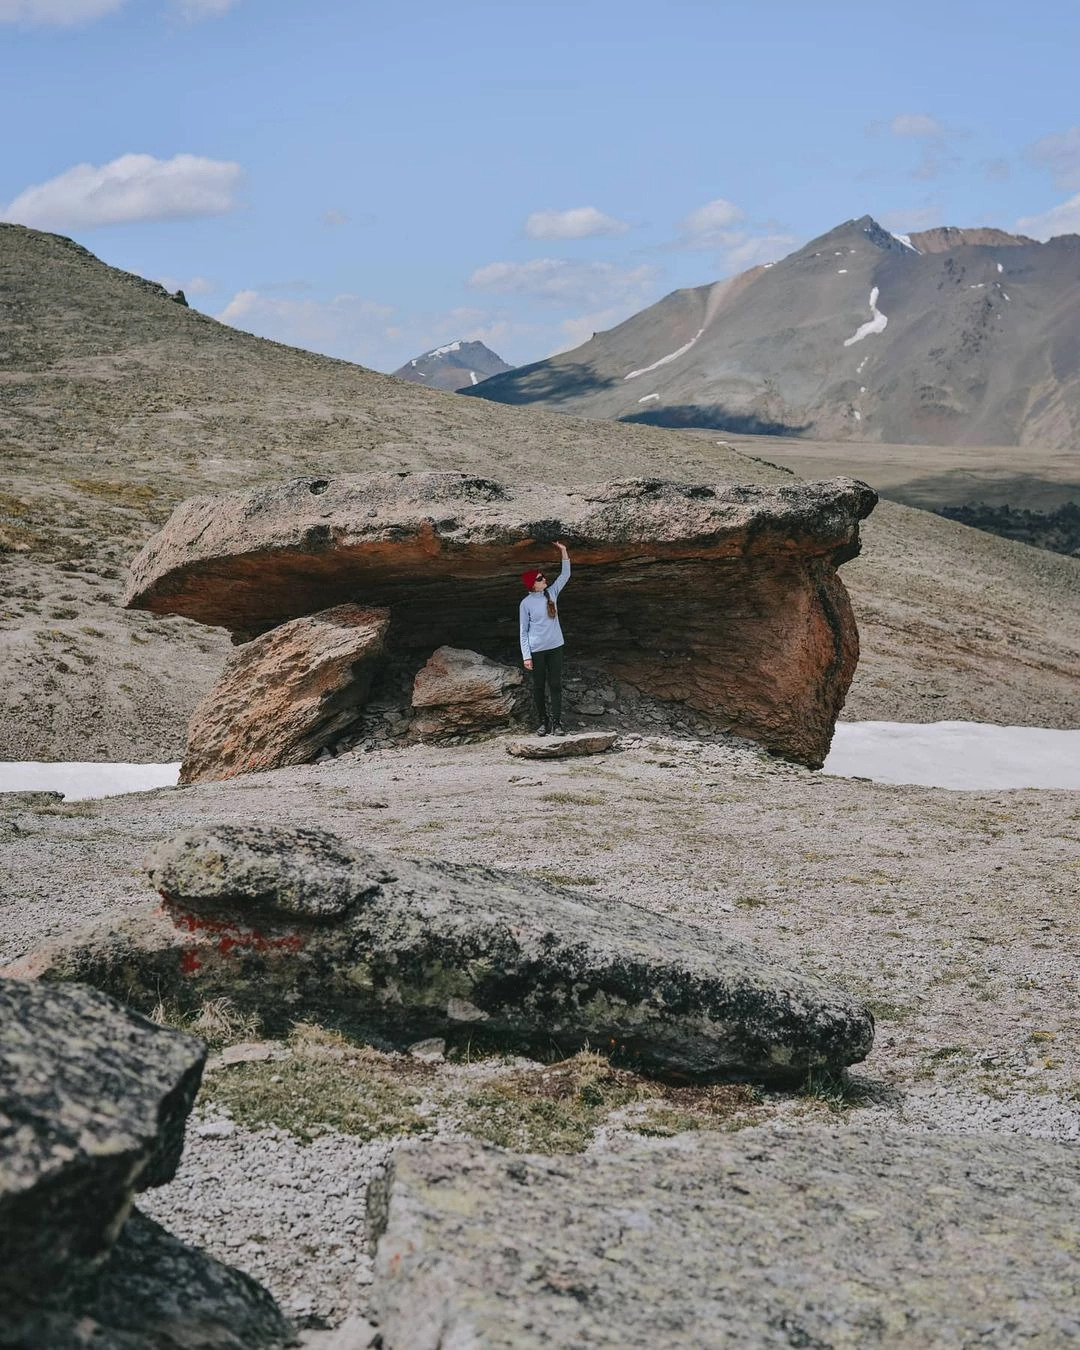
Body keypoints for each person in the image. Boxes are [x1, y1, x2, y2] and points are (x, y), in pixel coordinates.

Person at [519, 541, 570, 736]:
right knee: (539, 687)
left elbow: (565, 575)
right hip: (537, 650)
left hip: (556, 646)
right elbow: (523, 631)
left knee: (555, 684)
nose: (544, 579)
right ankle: (543, 722)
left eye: (543, 576)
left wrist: (564, 551)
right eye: (540, 578)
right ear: (532, 584)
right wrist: (526, 656)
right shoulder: (525, 604)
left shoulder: (552, 592)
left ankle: (557, 723)